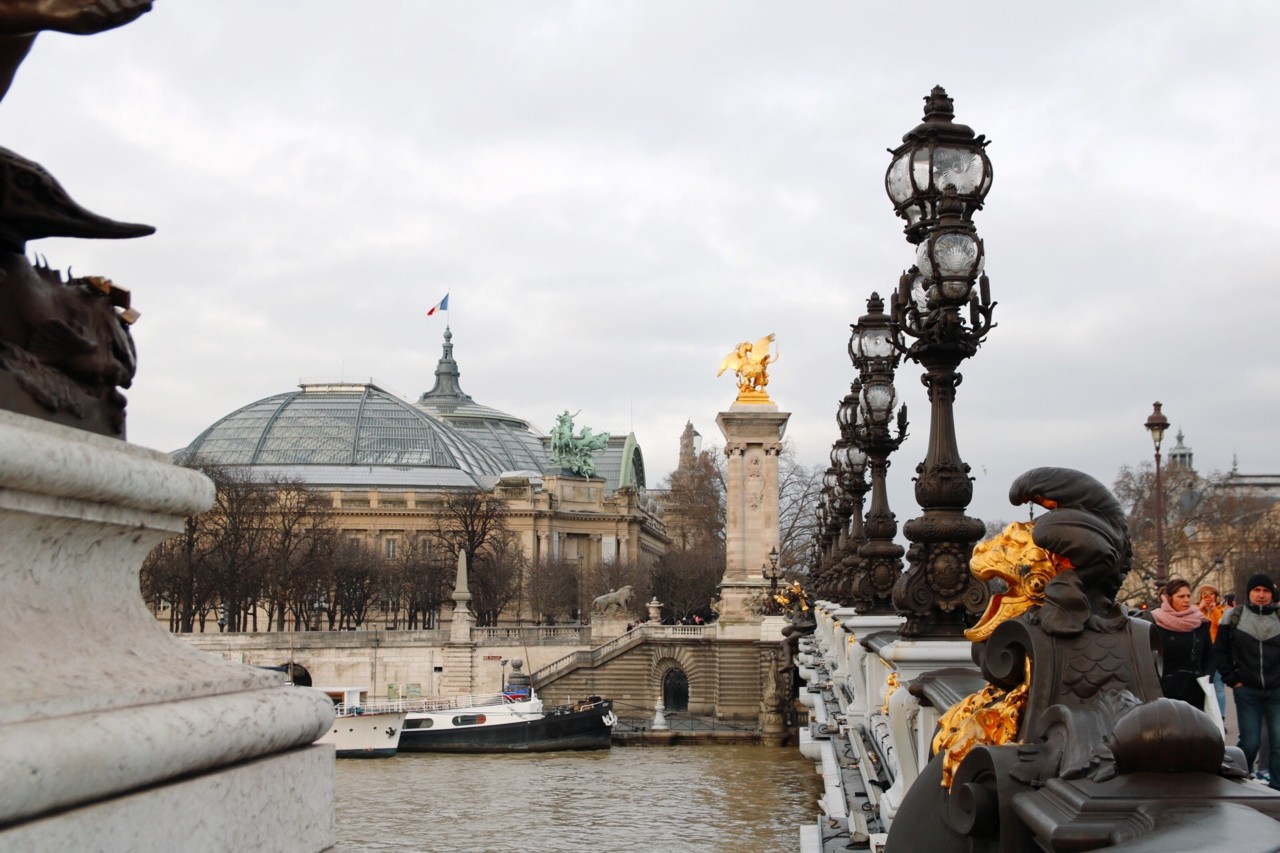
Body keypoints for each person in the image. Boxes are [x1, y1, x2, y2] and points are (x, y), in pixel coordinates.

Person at [1214, 572, 1280, 790]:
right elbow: (1220, 651)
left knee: (1278, 743)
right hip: (1247, 690)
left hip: (1276, 691)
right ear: (1249, 593)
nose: (1261, 595)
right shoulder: (1233, 616)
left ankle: (1276, 789)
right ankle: (1244, 784)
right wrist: (1233, 679)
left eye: (1266, 591)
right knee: (1249, 743)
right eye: (1257, 590)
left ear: (1272, 594)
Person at [1148, 577, 1212, 708]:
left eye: (1188, 596)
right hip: (1165, 694)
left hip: (1195, 692)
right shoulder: (1155, 623)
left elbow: (1209, 656)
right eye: (1181, 596)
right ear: (1168, 598)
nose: (1187, 600)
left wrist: (1207, 677)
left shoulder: (1199, 623)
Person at [1198, 584, 1228, 715]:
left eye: (1210, 594)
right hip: (1202, 653)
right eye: (1204, 594)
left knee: (1219, 688)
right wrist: (1200, 608)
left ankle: (1221, 716)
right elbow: (1193, 621)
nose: (1208, 597)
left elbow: (1221, 624)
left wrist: (1213, 610)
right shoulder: (1197, 610)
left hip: (1216, 653)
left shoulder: (1220, 610)